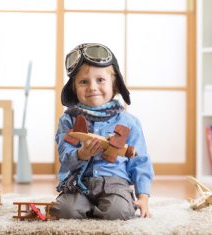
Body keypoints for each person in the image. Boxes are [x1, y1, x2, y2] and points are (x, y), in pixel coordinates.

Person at [50, 43, 154, 220]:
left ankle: (102, 209)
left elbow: (140, 161)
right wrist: (81, 154)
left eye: (100, 80)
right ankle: (86, 207)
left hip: (115, 184)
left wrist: (143, 197)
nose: (92, 87)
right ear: (74, 89)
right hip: (78, 185)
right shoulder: (68, 120)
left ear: (114, 85)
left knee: (118, 211)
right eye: (83, 82)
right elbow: (64, 157)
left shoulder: (129, 122)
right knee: (64, 211)